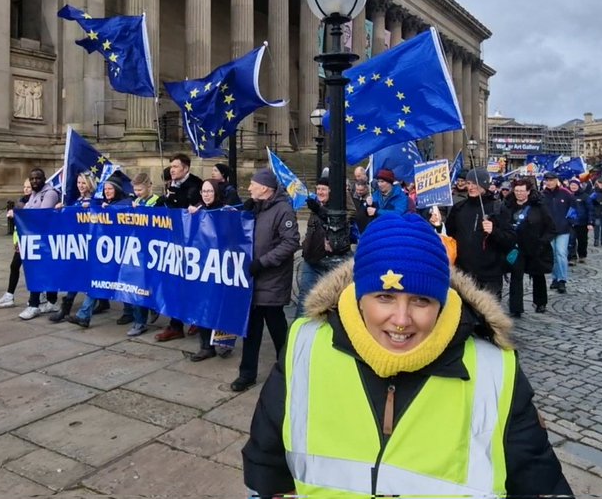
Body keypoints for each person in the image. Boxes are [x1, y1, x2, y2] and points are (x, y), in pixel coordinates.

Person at [242, 212, 572, 498]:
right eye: (385, 297)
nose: (401, 320)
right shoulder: (305, 346)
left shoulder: (494, 370)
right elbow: (266, 469)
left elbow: (539, 481)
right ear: (358, 297)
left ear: (441, 304)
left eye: (420, 301)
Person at [231, 168, 300, 392]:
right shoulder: (257, 207)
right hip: (253, 280)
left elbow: (290, 243)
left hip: (271, 280)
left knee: (277, 328)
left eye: (253, 184)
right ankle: (247, 373)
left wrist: (263, 262)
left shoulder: (283, 210)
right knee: (251, 330)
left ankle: (290, 368)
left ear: (265, 188)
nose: (249, 187)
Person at [67, 175, 131, 329]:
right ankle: (84, 315)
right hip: (105, 251)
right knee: (96, 281)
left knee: (124, 284)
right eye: (106, 189)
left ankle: (132, 313)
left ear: (117, 190)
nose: (107, 192)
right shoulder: (103, 204)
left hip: (122, 251)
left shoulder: (125, 203)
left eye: (111, 189)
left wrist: (111, 210)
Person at [187, 179, 237, 361]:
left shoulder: (227, 211)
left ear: (216, 192)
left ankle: (224, 342)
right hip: (202, 268)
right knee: (202, 305)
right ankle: (206, 346)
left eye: (209, 191)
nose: (206, 194)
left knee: (222, 305)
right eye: (203, 191)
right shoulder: (197, 211)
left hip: (223, 266)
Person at [156, 153, 204, 342]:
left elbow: (186, 206)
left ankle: (196, 319)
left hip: (191, 244)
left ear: (185, 168)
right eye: (171, 166)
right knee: (174, 283)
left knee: (191, 284)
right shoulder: (171, 184)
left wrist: (173, 197)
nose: (172, 170)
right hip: (173, 241)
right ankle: (175, 325)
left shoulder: (195, 185)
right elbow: (163, 204)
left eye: (175, 166)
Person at [447, 168, 516, 299]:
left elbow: (510, 239)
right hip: (463, 273)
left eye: (475, 184)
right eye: (469, 183)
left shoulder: (497, 208)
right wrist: (438, 224)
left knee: (487, 315)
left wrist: (494, 231)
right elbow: (450, 235)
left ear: (484, 185)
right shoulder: (459, 208)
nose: (471, 187)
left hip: (490, 274)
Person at [12, 167, 62, 319]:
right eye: (32, 178)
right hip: (33, 239)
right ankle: (51, 301)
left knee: (38, 272)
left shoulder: (50, 193)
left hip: (45, 239)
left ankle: (34, 305)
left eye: (37, 178)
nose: (34, 181)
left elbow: (41, 215)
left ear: (44, 179)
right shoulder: (34, 194)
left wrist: (21, 209)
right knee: (43, 271)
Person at [51, 173, 98, 324]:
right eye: (78, 182)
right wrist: (62, 209)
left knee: (91, 278)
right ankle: (66, 308)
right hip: (77, 245)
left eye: (84, 183)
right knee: (74, 275)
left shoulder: (96, 200)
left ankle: (84, 313)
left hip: (91, 246)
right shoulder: (77, 200)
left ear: (90, 184)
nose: (80, 185)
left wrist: (91, 208)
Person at [297, 179, 346, 321]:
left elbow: (340, 220)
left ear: (331, 191)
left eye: (323, 189)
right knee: (304, 298)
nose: (320, 192)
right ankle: (299, 331)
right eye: (318, 189)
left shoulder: (340, 205)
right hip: (311, 259)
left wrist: (319, 210)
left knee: (330, 301)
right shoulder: (316, 206)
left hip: (331, 262)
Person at [505, 178, 554, 317]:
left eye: (522, 191)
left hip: (535, 246)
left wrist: (542, 242)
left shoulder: (538, 206)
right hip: (516, 247)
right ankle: (516, 307)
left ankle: (540, 302)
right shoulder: (508, 205)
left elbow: (550, 227)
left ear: (528, 191)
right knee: (516, 276)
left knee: (538, 275)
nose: (519, 194)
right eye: (516, 191)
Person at [125, 172, 162, 336]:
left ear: (149, 186)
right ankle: (139, 321)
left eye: (140, 189)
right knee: (138, 286)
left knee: (151, 285)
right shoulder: (136, 202)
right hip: (138, 249)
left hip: (153, 249)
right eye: (135, 190)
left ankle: (153, 306)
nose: (137, 193)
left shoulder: (157, 202)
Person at [0, 178, 33, 310]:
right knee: (14, 266)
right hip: (20, 241)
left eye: (29, 187)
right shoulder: (21, 200)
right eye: (24, 186)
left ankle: (36, 298)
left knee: (31, 269)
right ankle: (9, 295)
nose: (26, 189)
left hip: (31, 241)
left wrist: (16, 214)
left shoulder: (33, 201)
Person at [541, 172, 574, 295]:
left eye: (552, 180)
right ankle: (555, 278)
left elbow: (574, 208)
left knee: (561, 253)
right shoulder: (542, 195)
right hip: (548, 230)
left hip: (562, 229)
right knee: (553, 254)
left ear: (556, 180)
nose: (549, 182)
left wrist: (569, 221)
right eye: (547, 180)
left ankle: (562, 280)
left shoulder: (565, 193)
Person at [566, 178, 590, 274]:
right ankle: (572, 258)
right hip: (570, 222)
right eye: (572, 185)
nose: (573, 187)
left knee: (582, 240)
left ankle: (582, 255)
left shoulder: (585, 196)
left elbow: (590, 209)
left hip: (582, 222)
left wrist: (590, 222)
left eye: (575, 185)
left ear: (578, 185)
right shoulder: (567, 195)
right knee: (571, 240)